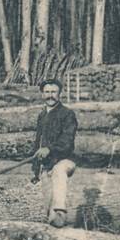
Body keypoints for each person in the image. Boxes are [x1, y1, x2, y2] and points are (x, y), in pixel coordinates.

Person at [31, 78, 78, 228]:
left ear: (59, 94)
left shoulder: (67, 114)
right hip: (46, 164)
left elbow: (67, 141)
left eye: (53, 92)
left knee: (59, 171)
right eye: (47, 92)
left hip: (65, 160)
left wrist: (50, 149)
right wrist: (35, 169)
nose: (50, 95)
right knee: (46, 196)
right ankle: (52, 224)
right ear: (42, 94)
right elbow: (38, 142)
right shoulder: (42, 115)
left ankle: (60, 212)